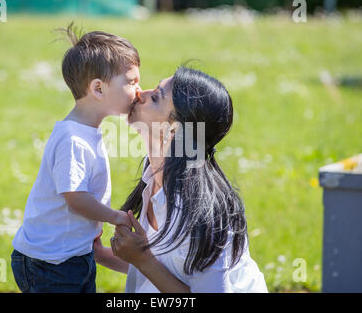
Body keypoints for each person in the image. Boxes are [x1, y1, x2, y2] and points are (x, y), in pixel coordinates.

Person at [94, 66, 268, 292]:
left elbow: (153, 266)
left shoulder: (203, 214)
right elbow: (169, 268)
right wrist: (100, 254)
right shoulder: (155, 178)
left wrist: (142, 259)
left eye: (155, 97)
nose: (140, 94)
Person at [10, 23, 141, 293]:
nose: (139, 90)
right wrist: (114, 217)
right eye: (131, 81)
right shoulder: (74, 139)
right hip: (50, 264)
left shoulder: (86, 131)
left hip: (71, 254)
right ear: (98, 89)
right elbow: (76, 198)